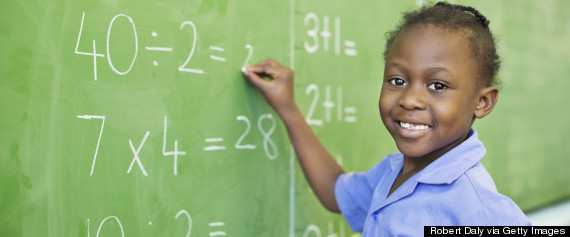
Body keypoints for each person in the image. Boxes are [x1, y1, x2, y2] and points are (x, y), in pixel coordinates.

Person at [242, 2, 530, 235]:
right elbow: (334, 191)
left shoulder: (477, 209)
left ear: (482, 102)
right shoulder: (393, 173)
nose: (409, 99)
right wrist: (288, 109)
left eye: (437, 86)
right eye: (397, 80)